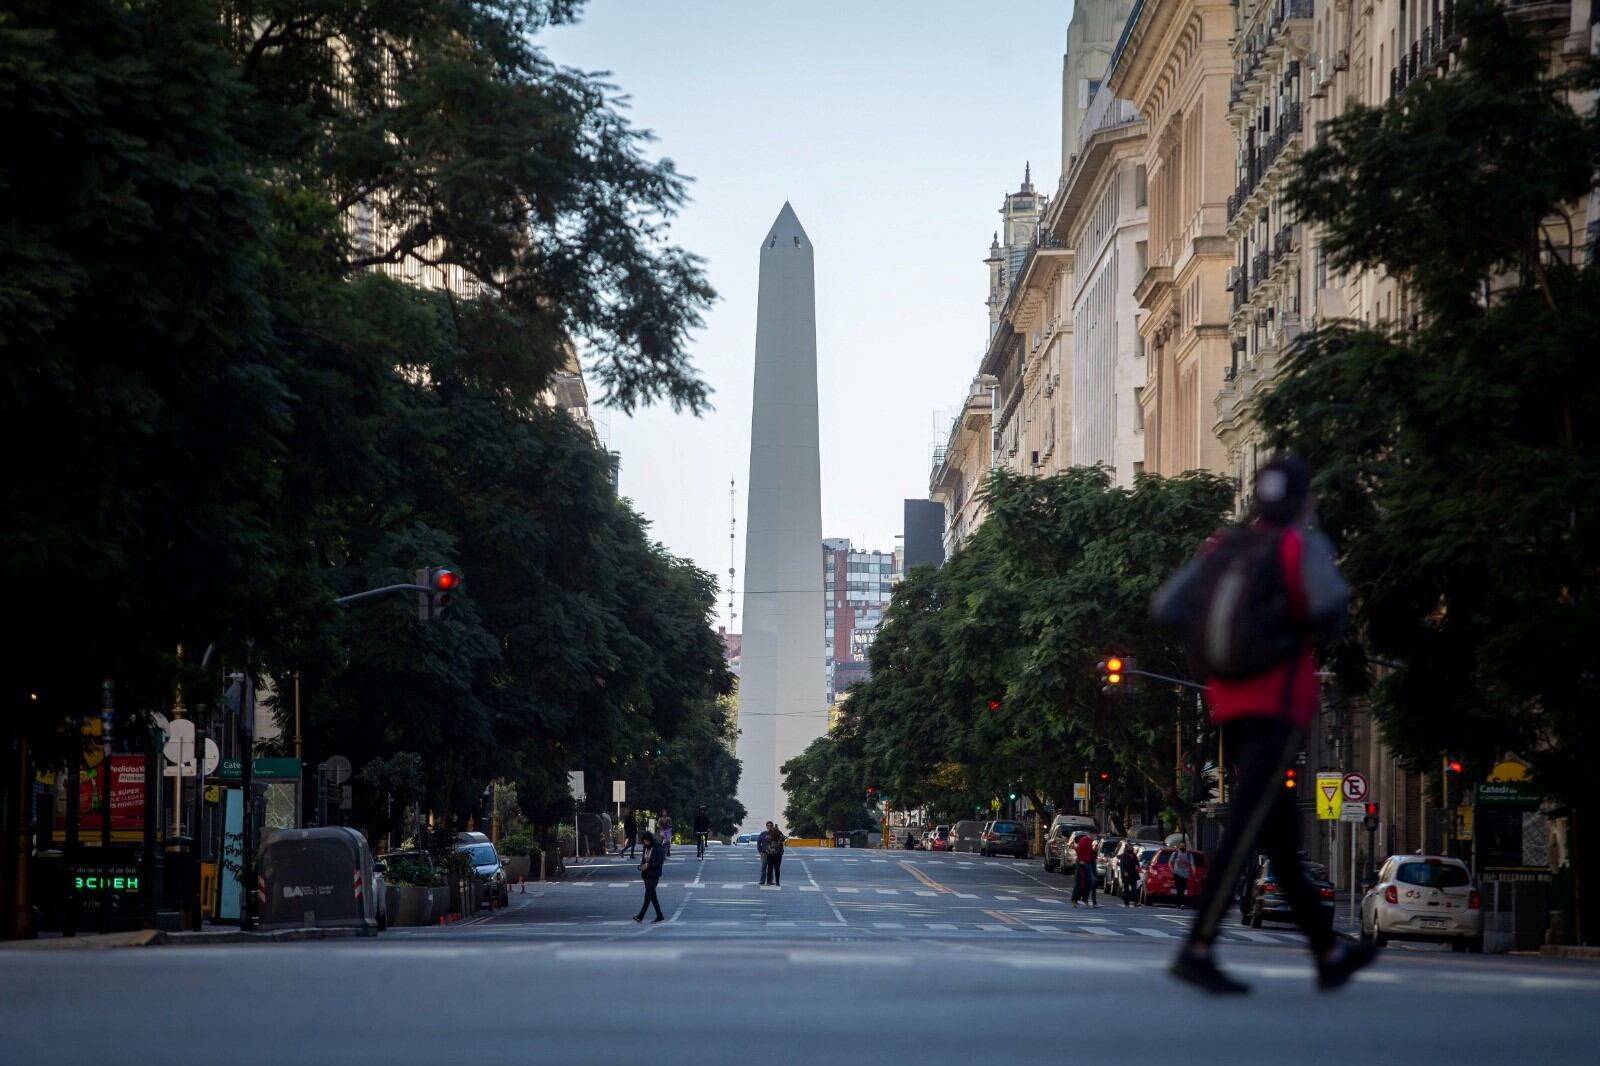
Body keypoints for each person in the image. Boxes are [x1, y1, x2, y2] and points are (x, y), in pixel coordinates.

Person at [1152, 454, 1376, 994]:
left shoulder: (1223, 548)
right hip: (1278, 704)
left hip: (1228, 702)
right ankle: (1198, 947)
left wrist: (1217, 654)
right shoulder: (1302, 546)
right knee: (1247, 829)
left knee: (1278, 837)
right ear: (1305, 501)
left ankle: (1327, 954)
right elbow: (1334, 611)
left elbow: (1168, 607)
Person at [633, 830, 665, 923]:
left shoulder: (658, 848)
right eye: (644, 842)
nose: (646, 843)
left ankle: (640, 916)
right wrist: (641, 866)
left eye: (647, 841)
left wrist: (649, 865)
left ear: (651, 840)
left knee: (648, 896)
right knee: (652, 896)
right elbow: (644, 860)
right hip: (646, 874)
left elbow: (659, 862)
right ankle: (660, 915)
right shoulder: (645, 848)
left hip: (654, 875)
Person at [1071, 833, 1097, 907]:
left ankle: (1083, 899)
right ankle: (1075, 899)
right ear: (1091, 834)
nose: (1095, 837)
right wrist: (1081, 860)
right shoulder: (1085, 840)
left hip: (1087, 863)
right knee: (1082, 882)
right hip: (1083, 863)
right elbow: (1078, 849)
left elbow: (1088, 852)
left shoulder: (1089, 841)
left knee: (1087, 882)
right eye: (1094, 835)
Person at [1170, 842, 1193, 909]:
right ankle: (1179, 904)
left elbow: (1192, 864)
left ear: (1185, 847)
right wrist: (1173, 871)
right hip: (1177, 874)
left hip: (1185, 874)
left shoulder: (1189, 855)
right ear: (1179, 847)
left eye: (1183, 846)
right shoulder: (1175, 854)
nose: (1182, 847)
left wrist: (1194, 871)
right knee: (1179, 888)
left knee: (1182, 889)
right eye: (1181, 846)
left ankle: (1179, 903)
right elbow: (1170, 863)